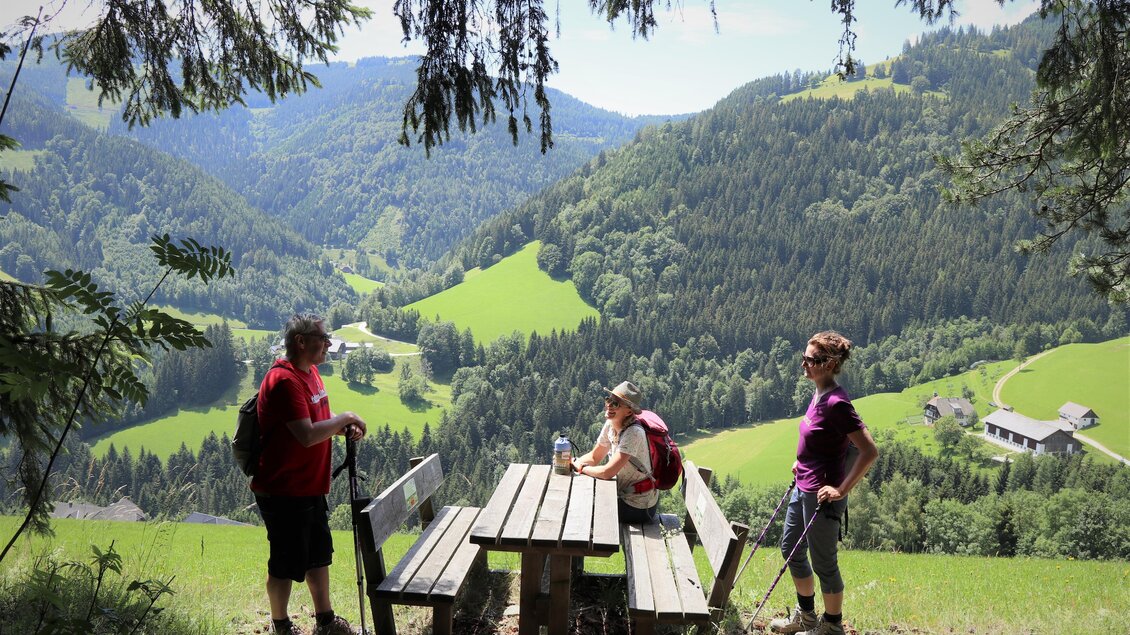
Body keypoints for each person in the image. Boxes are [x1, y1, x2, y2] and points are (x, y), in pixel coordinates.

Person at [251, 314, 368, 635]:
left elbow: (318, 418)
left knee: (318, 554)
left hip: (310, 486)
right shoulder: (284, 381)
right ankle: (281, 626)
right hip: (284, 489)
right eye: (322, 337)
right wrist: (347, 415)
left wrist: (341, 426)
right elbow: (305, 435)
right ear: (301, 341)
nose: (329, 343)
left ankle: (326, 621)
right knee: (285, 562)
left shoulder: (311, 373)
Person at [770, 331, 878, 635]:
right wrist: (800, 462)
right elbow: (816, 437)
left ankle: (831, 627)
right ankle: (806, 617)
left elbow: (869, 451)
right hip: (803, 483)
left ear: (830, 364)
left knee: (824, 563)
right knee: (791, 548)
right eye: (803, 357)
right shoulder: (817, 392)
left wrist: (841, 489)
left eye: (812, 360)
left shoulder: (837, 402)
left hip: (822, 496)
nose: (804, 364)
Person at [570, 380, 659, 523]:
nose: (609, 405)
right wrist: (573, 462)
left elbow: (607, 472)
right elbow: (594, 457)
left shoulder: (634, 433)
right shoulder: (610, 424)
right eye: (608, 400)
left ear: (629, 411)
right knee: (581, 505)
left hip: (639, 506)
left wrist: (581, 468)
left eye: (615, 403)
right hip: (622, 495)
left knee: (584, 511)